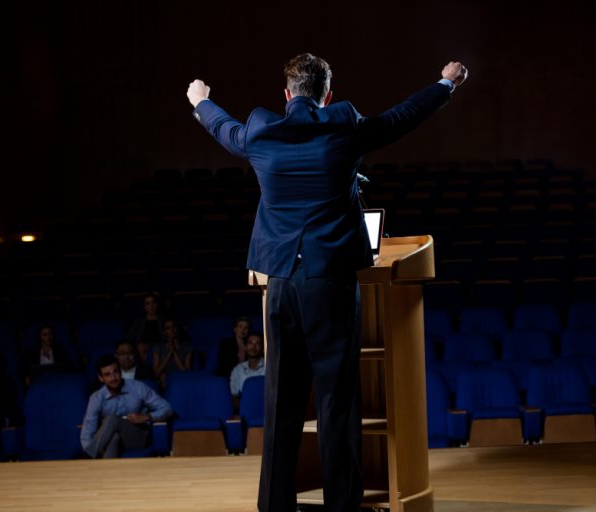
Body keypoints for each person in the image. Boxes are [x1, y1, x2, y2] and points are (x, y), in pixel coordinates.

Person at [187, 53, 467, 512]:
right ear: (326, 95)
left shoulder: (260, 132)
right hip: (331, 286)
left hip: (280, 287)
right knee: (337, 402)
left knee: (281, 402)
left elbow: (224, 128)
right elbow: (402, 118)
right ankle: (341, 505)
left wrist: (200, 101)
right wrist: (445, 84)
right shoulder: (345, 129)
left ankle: (276, 506)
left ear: (287, 94)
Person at [80, 354, 172, 458]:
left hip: (138, 437)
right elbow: (88, 430)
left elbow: (167, 408)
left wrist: (147, 417)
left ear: (120, 372)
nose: (113, 378)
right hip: (111, 439)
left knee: (112, 418)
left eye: (115, 372)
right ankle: (109, 472)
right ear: (101, 378)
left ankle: (88, 456)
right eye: (107, 375)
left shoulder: (137, 387)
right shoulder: (96, 398)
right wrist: (87, 445)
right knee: (113, 437)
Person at [229, 331, 265, 411]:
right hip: (245, 410)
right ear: (245, 347)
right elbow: (234, 395)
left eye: (257, 344)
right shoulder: (238, 370)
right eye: (250, 343)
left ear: (262, 348)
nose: (253, 347)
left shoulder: (269, 367)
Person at [152, 319, 194, 387]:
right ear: (164, 332)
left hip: (180, 378)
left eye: (173, 326)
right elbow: (155, 373)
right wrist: (169, 354)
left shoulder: (187, 347)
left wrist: (174, 352)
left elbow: (186, 373)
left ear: (177, 328)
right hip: (164, 379)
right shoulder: (158, 347)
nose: (171, 330)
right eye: (168, 328)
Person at [126, 293, 166, 364]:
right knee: (140, 347)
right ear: (144, 307)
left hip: (159, 346)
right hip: (142, 348)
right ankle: (143, 369)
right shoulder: (139, 321)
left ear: (157, 304)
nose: (151, 306)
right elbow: (130, 337)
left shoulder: (164, 320)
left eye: (153, 302)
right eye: (148, 303)